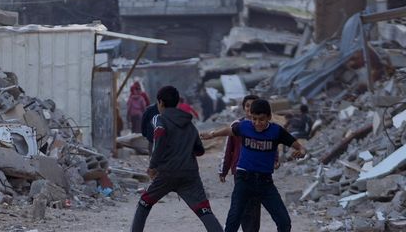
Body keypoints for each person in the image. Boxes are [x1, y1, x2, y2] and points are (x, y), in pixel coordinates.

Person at [202, 99, 307, 232]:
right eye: (254, 119)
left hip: (265, 183)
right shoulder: (244, 126)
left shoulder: (276, 131)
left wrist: (302, 152)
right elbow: (229, 130)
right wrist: (212, 134)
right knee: (233, 220)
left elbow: (299, 146)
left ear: (269, 117)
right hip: (244, 179)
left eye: (261, 119)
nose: (257, 123)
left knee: (284, 221)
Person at [130, 85, 223, 232]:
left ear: (160, 102)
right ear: (177, 102)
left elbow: (158, 140)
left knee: (144, 204)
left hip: (166, 173)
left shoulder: (159, 120)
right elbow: (199, 150)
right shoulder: (189, 124)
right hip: (190, 174)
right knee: (204, 210)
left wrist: (152, 166)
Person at [219, 95, 262, 232]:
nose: (250, 108)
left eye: (254, 105)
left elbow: (272, 145)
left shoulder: (263, 126)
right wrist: (223, 170)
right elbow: (228, 149)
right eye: (248, 105)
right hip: (240, 171)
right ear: (244, 108)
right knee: (241, 203)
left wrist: (275, 160)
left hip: (259, 172)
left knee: (255, 205)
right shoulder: (236, 126)